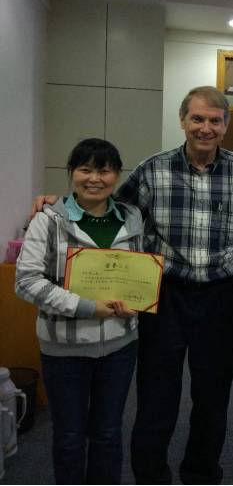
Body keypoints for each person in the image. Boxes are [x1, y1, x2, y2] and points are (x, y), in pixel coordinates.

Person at [116, 86, 233, 484]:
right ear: (182, 120)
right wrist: (60, 207)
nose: (206, 128)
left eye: (214, 121)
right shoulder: (153, 169)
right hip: (165, 294)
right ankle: (151, 476)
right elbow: (111, 212)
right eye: (198, 119)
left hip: (221, 297)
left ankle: (201, 473)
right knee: (156, 393)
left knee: (213, 394)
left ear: (225, 126)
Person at [17, 138, 143, 485]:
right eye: (85, 170)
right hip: (64, 350)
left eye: (104, 171)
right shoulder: (48, 220)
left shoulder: (131, 218)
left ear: (117, 176)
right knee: (70, 437)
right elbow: (26, 281)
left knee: (108, 433)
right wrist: (87, 307)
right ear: (71, 172)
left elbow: (140, 273)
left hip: (119, 346)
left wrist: (136, 301)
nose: (94, 179)